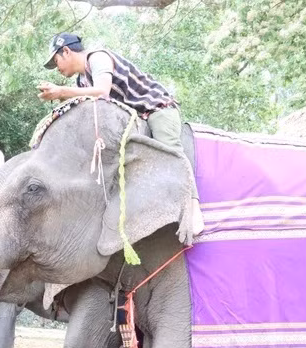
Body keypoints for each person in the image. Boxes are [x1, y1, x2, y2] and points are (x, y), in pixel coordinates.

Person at [38, 32, 205, 238]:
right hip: (134, 123)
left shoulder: (97, 58)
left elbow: (102, 91)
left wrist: (62, 91)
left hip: (156, 109)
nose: (58, 68)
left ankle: (193, 209)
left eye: (56, 61)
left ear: (67, 51)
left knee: (170, 152)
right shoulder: (82, 82)